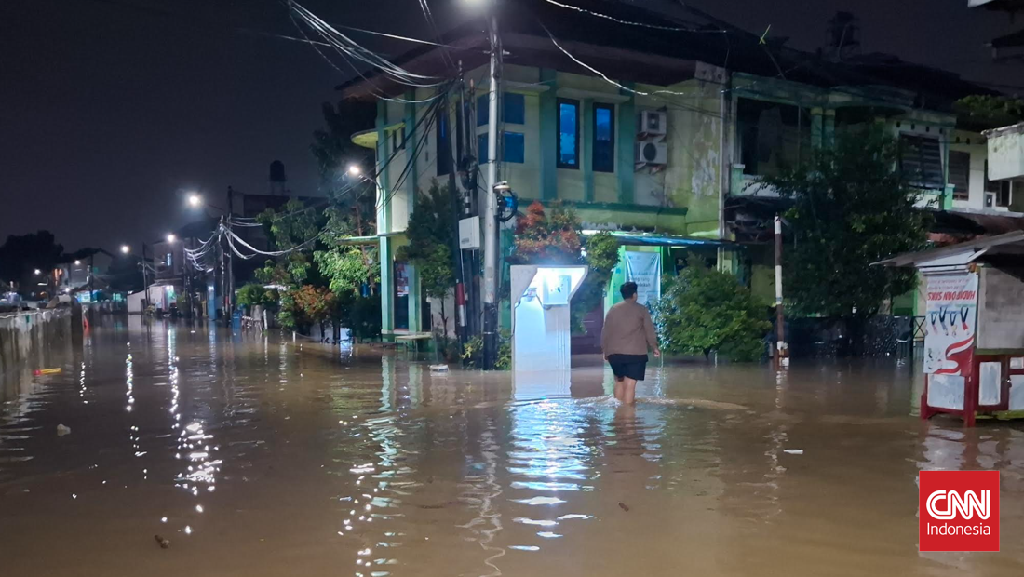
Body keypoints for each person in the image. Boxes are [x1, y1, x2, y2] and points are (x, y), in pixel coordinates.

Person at [601, 281, 660, 405]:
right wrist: (654, 347)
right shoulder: (641, 310)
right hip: (636, 354)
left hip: (615, 353)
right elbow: (649, 330)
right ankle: (628, 417)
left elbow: (605, 331)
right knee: (630, 385)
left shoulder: (613, 309)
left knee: (619, 381)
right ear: (634, 294)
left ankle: (618, 415)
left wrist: (605, 350)